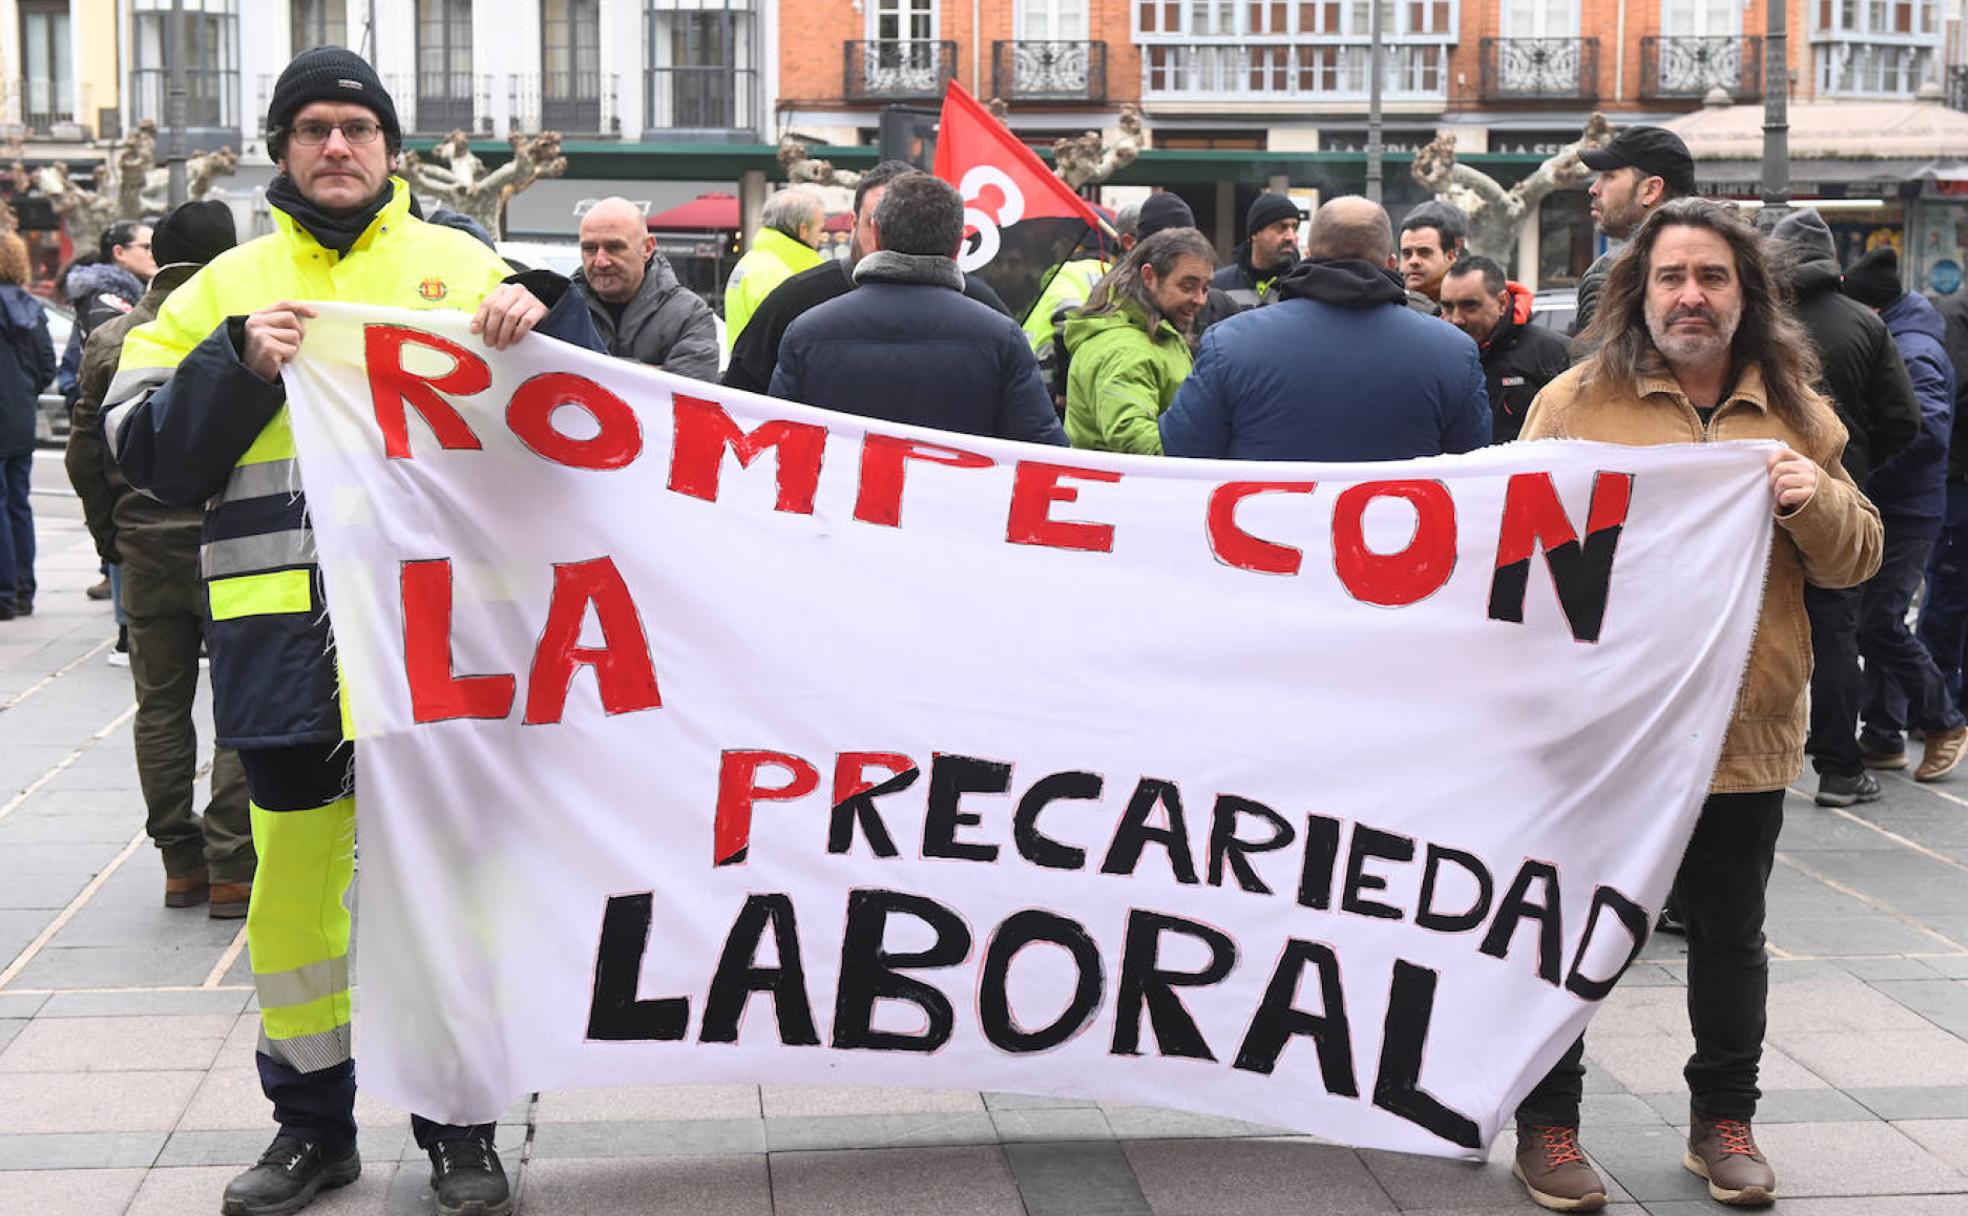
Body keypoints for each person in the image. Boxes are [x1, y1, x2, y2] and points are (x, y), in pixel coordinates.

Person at [102, 47, 599, 1216]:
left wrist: (557, 310)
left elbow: (583, 426)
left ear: (388, 147)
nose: (337, 146)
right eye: (315, 127)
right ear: (281, 148)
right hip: (282, 649)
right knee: (291, 904)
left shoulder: (459, 263)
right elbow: (141, 453)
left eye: (357, 127)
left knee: (449, 893)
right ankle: (310, 1130)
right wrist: (234, 367)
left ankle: (460, 1128)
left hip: (442, 648)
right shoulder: (220, 288)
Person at [1514, 197, 1881, 1213]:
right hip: (1605, 733)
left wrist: (1820, 498)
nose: (1690, 296)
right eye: (1671, 276)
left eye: (1712, 277)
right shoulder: (1578, 403)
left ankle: (1724, 1120)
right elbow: (1524, 561)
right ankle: (1547, 1122)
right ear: (1640, 290)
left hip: (1743, 731)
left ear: (1745, 294)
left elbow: (1857, 561)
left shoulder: (1799, 411)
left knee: (1730, 935)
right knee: (1572, 933)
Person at [69, 199, 257, 916]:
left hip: (145, 548)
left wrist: (110, 541)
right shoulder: (242, 328)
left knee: (159, 707)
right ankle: (233, 862)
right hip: (232, 542)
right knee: (242, 703)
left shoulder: (112, 335)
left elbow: (88, 454)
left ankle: (180, 862)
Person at [1766, 209, 1927, 802]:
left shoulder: (1760, 327)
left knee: (1753, 625)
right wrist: (1858, 469)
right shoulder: (1865, 324)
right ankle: (1838, 767)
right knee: (1836, 634)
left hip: (1757, 502)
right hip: (1833, 501)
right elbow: (1904, 419)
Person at [1160, 195, 1489, 461]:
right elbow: (1474, 470)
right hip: (1395, 540)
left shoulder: (1229, 344)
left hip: (1264, 537)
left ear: (1308, 254)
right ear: (1391, 262)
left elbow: (1180, 453)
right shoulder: (1452, 352)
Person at [768, 172, 1065, 446]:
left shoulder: (807, 333)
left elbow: (780, 450)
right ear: (959, 246)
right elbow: (1044, 453)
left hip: (841, 503)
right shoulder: (1001, 338)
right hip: (962, 503)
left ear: (878, 234)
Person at [1838, 246, 1968, 773]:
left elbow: (1926, 432)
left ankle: (1943, 719)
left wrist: (1869, 473)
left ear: (1870, 310)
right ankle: (1885, 733)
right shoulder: (1901, 336)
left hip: (1907, 507)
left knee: (1878, 623)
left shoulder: (1912, 349)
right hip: (1903, 501)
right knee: (1881, 617)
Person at [721, 161, 1011, 395]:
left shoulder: (984, 309)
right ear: (857, 224)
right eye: (879, 220)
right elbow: (741, 399)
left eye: (904, 223)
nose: (893, 235)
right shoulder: (795, 300)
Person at [1062, 227, 1213, 454]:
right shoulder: (1126, 350)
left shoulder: (1158, 335)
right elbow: (1135, 439)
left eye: (1205, 288)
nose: (1199, 300)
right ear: (1149, 277)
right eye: (1187, 287)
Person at [570, 196, 718, 381]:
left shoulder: (690, 315)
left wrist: (584, 368)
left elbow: (690, 393)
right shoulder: (560, 308)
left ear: (648, 248)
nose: (600, 261)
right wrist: (649, 372)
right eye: (590, 248)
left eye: (615, 247)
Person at [1571, 125, 1696, 339]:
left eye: (1609, 176)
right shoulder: (1730, 256)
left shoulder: (1614, 271)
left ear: (1650, 190)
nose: (1593, 189)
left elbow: (1596, 369)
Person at [1439, 254, 1570, 443]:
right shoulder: (1431, 356)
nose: (1456, 318)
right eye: (1447, 307)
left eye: (1469, 306)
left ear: (1501, 303)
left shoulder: (1553, 354)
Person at [0, 232, 55, 622]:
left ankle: (3, 594)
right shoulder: (30, 307)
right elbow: (46, 365)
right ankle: (23, 590)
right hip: (20, 416)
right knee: (19, 502)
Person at [1922, 278, 1968, 714]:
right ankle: (1936, 706)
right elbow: (1955, 396)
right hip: (1958, 478)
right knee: (1950, 589)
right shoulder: (1956, 314)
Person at [723, 187, 825, 343]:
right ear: (803, 230)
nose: (822, 238)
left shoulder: (751, 262)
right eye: (820, 229)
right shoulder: (780, 275)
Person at [1211, 192, 1300, 309]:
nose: (1290, 237)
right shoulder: (1219, 285)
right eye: (1281, 227)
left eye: (1294, 228)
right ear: (1255, 233)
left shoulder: (1302, 285)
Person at [1398, 201, 1467, 311]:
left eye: (1424, 252)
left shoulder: (1474, 307)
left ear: (1451, 256)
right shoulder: (1389, 306)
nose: (1413, 261)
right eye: (1407, 253)